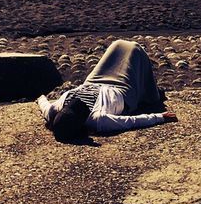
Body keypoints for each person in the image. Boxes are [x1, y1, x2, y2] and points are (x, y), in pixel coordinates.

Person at [37, 39, 178, 140]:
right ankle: (151, 94)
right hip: (121, 89)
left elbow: (44, 105)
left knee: (117, 45)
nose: (76, 102)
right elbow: (131, 121)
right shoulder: (99, 120)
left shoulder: (54, 111)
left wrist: (39, 97)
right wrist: (160, 117)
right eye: (77, 109)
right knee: (135, 49)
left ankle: (149, 91)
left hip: (95, 81)